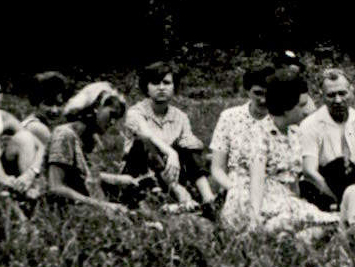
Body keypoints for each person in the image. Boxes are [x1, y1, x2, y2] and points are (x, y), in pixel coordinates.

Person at [220, 71, 339, 233]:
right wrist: (254, 218)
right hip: (256, 200)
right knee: (314, 220)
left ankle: (290, 233)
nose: (307, 111)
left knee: (315, 222)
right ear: (286, 108)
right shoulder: (258, 134)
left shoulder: (295, 133)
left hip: (283, 199)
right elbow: (257, 179)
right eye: (302, 105)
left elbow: (294, 179)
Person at [121, 61, 216, 212]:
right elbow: (147, 136)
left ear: (174, 87)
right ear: (146, 87)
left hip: (169, 171)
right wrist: (171, 153)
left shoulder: (180, 116)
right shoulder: (135, 113)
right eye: (155, 83)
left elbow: (192, 145)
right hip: (140, 170)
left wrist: (193, 146)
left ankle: (208, 199)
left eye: (166, 83)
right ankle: (177, 193)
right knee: (144, 142)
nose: (161, 88)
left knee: (190, 149)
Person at [45, 82, 140, 214]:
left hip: (81, 206)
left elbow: (84, 176)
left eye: (117, 118)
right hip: (60, 210)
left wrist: (118, 179)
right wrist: (101, 205)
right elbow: (55, 187)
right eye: (111, 115)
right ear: (96, 107)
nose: (113, 122)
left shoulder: (87, 138)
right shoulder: (64, 134)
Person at [298, 68, 355, 207]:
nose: (337, 100)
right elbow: (309, 171)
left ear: (351, 91)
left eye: (342, 93)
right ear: (322, 96)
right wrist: (337, 200)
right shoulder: (310, 125)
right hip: (323, 192)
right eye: (331, 95)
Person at [209, 64, 273, 196]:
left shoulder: (281, 120)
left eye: (269, 94)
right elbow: (217, 168)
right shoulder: (229, 117)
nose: (263, 100)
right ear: (247, 91)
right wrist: (234, 190)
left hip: (272, 188)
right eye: (257, 93)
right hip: (236, 187)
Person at [20, 71, 70, 148]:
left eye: (59, 104)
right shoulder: (37, 128)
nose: (54, 110)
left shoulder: (42, 124)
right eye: (48, 104)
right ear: (36, 103)